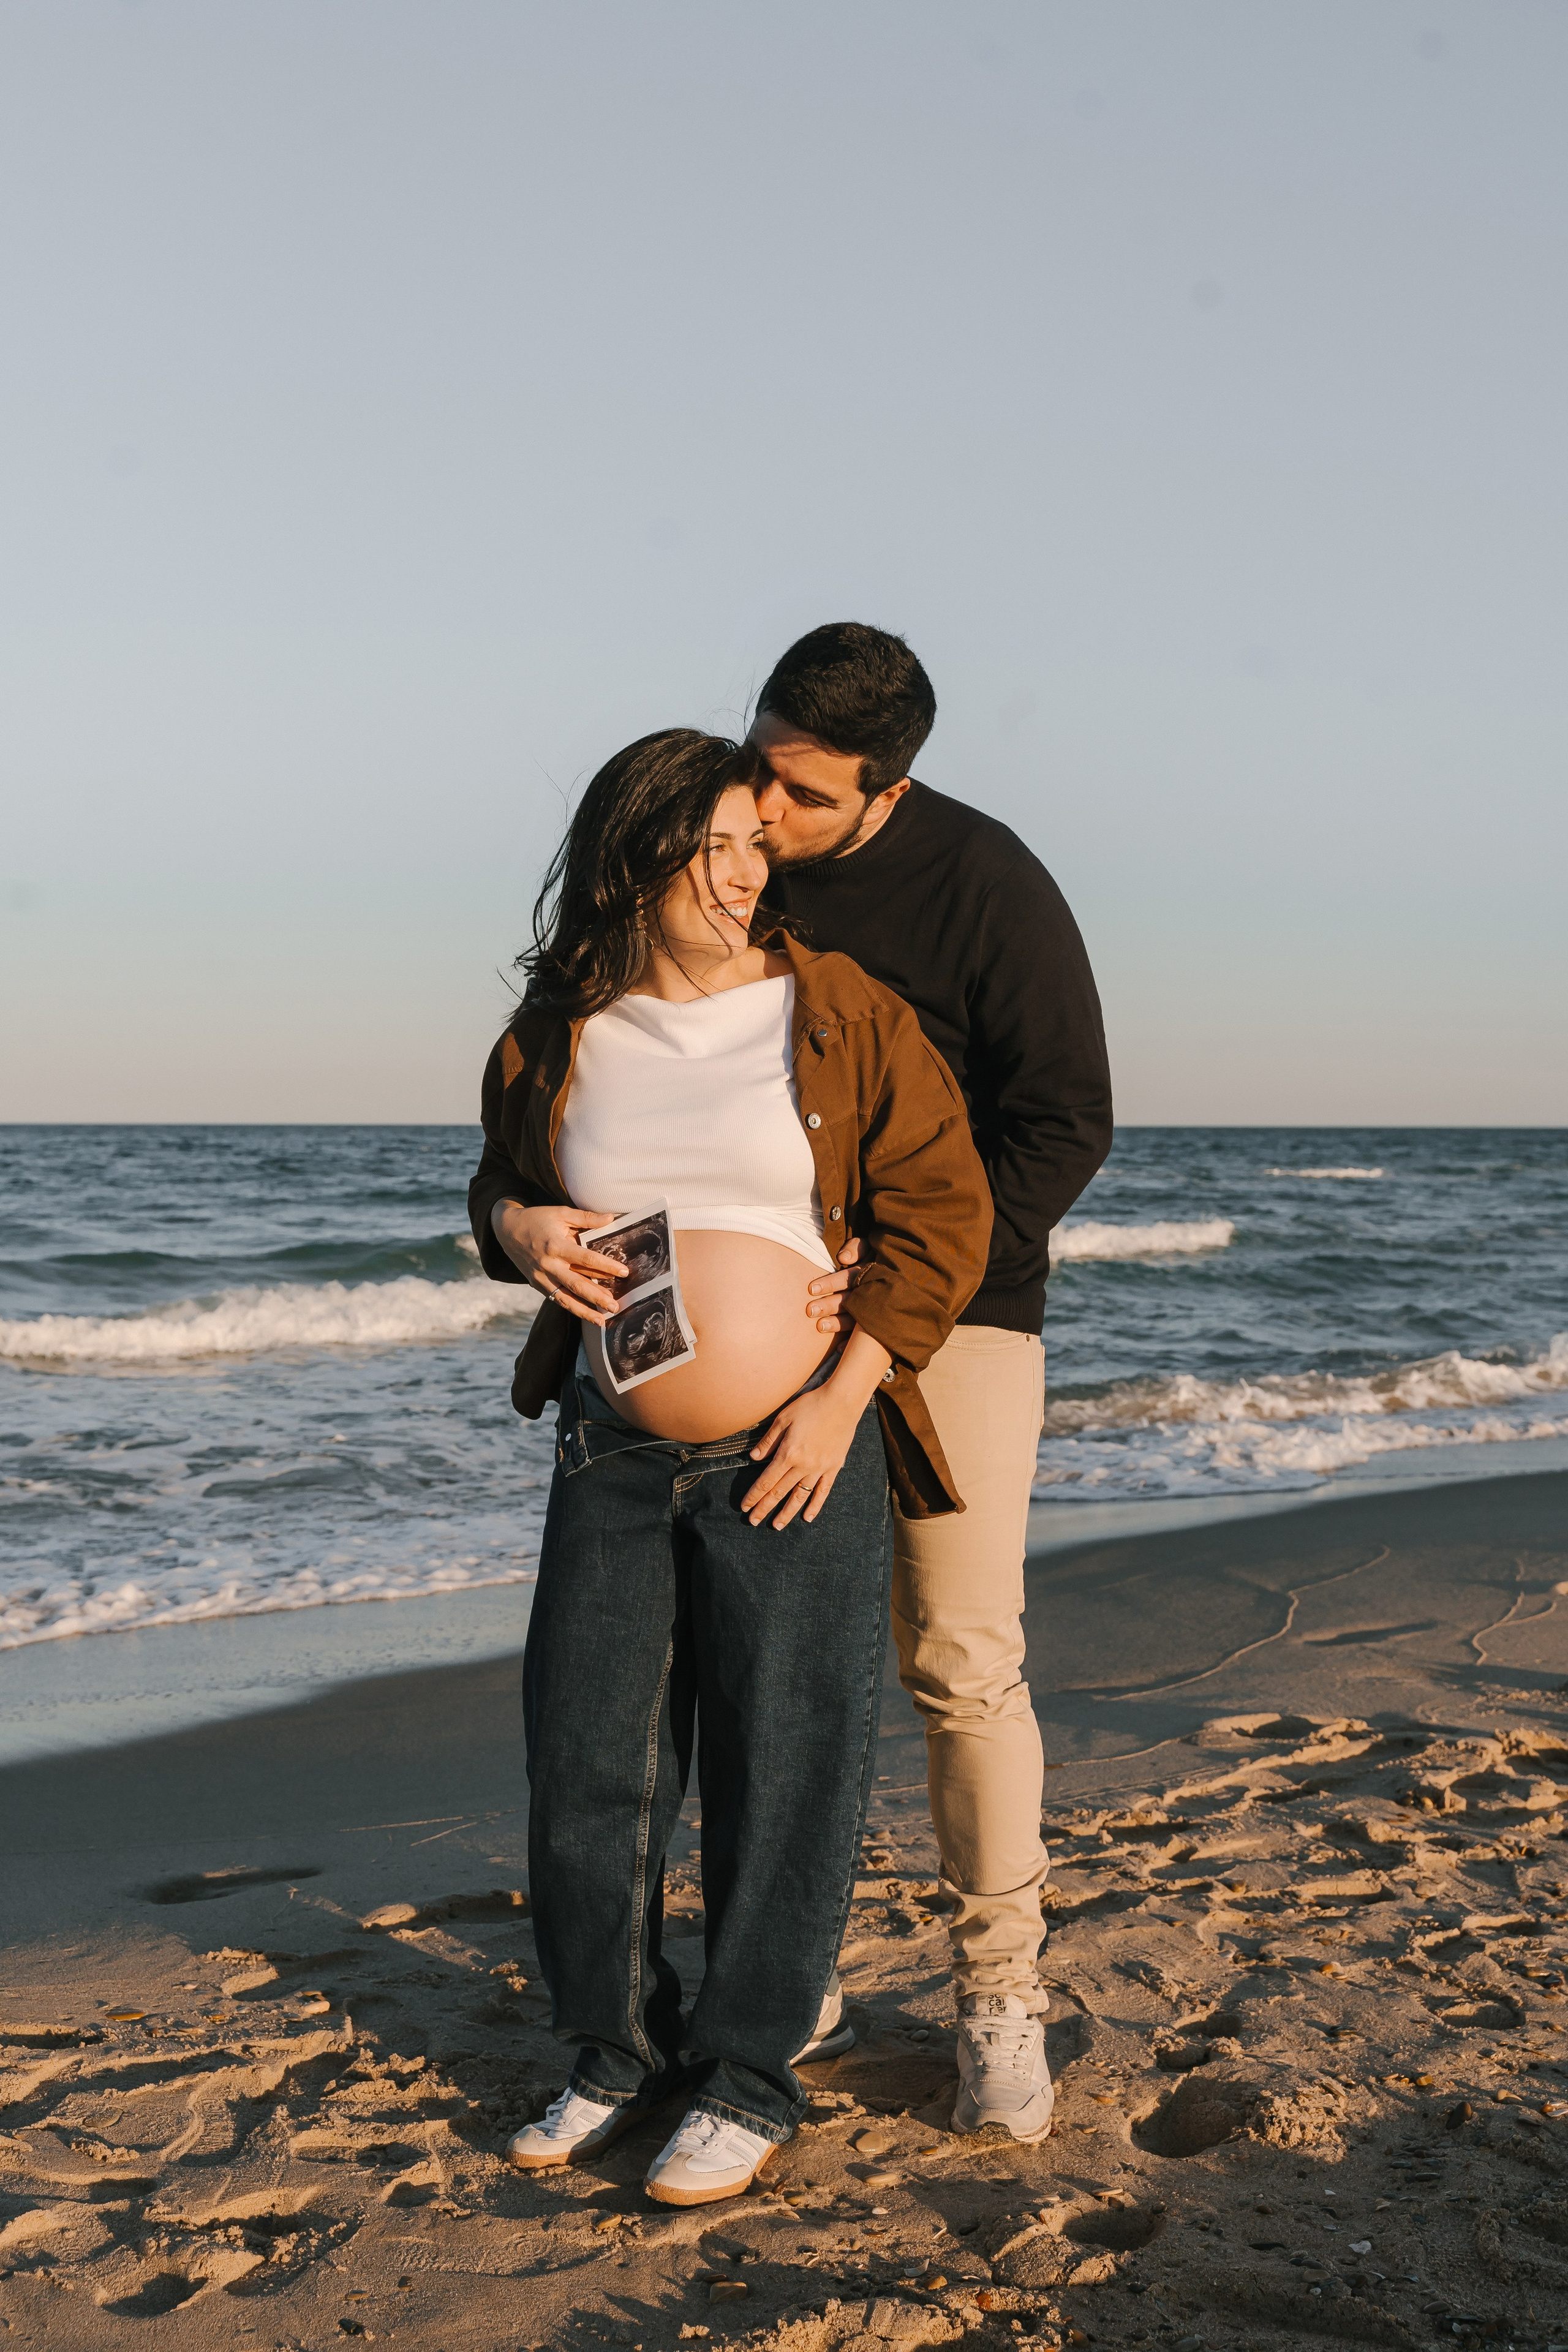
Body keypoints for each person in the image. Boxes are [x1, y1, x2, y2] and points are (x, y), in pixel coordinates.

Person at [467, 728, 991, 2203]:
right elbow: (504, 1184)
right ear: (629, 854)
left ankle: (750, 2075)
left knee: (787, 1763)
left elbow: (943, 1212)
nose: (741, 871)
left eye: (755, 842)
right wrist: (515, 1231)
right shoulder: (560, 1029)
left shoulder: (833, 1012)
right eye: (709, 845)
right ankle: (610, 2054)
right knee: (589, 1762)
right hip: (612, 1447)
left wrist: (843, 1394)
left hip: (795, 1452)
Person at [753, 622, 1113, 2142]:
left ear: (885, 788)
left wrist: (907, 1283)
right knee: (774, 1667)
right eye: (757, 767)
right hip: (761, 1319)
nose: (764, 817)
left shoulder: (986, 881)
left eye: (803, 796)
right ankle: (785, 1974)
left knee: (960, 1660)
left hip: (957, 1317)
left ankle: (996, 1998)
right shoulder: (721, 846)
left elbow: (1061, 1122)